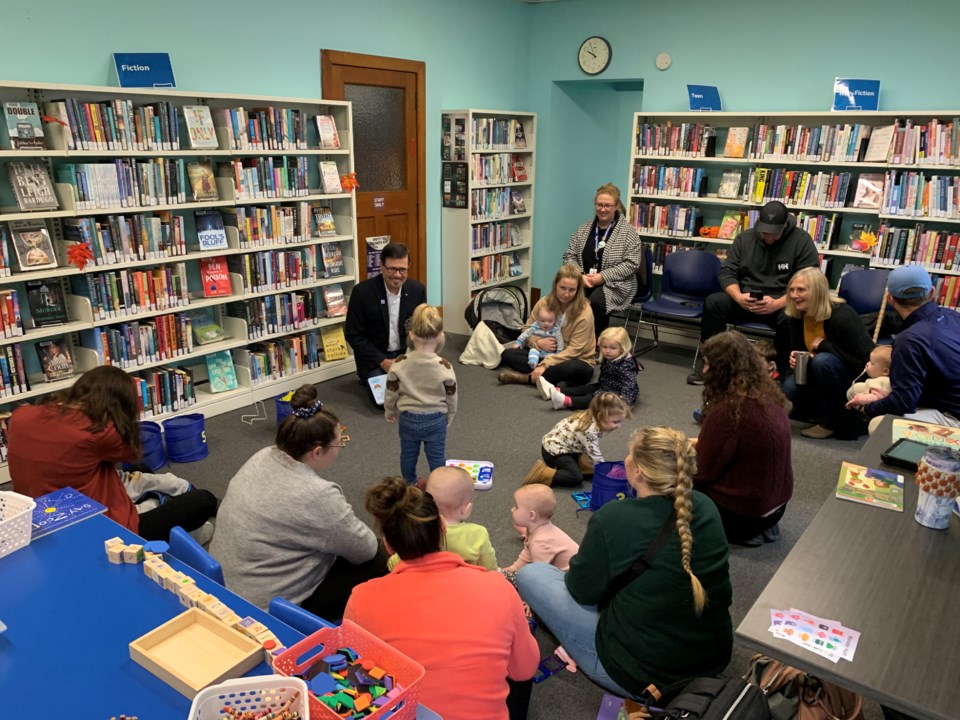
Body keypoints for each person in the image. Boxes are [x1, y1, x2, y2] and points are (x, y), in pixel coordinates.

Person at [516, 427, 733, 697]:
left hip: (638, 675)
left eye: (630, 455)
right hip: (712, 659)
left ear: (638, 472)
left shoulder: (613, 518)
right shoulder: (705, 505)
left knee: (532, 575)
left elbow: (581, 591)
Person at [344, 477, 539, 720]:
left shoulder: (361, 598)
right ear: (443, 527)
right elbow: (524, 670)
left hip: (401, 712)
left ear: (388, 545)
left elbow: (357, 677)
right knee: (521, 637)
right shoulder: (497, 587)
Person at [210, 385, 385, 619]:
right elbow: (365, 550)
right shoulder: (319, 495)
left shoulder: (262, 455)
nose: (340, 448)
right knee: (382, 555)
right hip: (265, 609)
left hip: (227, 584)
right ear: (316, 452)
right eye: (338, 442)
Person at [8, 365, 216, 542]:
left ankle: (162, 500)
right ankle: (185, 525)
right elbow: (131, 451)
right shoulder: (97, 431)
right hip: (101, 529)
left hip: (36, 518)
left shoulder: (20, 415)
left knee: (138, 470)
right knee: (203, 501)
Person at [687, 200, 819, 385]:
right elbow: (727, 272)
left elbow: (810, 279)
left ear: (785, 225)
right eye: (764, 232)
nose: (768, 237)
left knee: (793, 317)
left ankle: (780, 372)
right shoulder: (745, 238)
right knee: (714, 303)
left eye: (773, 234)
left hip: (781, 302)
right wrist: (738, 296)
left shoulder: (801, 241)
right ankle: (712, 366)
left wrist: (778, 303)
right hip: (745, 300)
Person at [693, 331, 793, 546]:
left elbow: (702, 472)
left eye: (708, 364)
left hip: (742, 516)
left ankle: (742, 532)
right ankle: (762, 526)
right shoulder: (768, 395)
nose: (704, 370)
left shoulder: (729, 409)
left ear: (723, 369)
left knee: (670, 476)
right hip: (778, 507)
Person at [846, 266, 960, 426]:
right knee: (859, 390)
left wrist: (868, 410)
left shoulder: (909, 340)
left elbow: (904, 402)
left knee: (879, 424)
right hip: (943, 395)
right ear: (933, 292)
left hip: (952, 414)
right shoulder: (954, 316)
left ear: (890, 299)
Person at [782, 267, 874, 440]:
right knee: (788, 388)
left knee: (823, 361)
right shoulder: (796, 315)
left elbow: (866, 363)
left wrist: (825, 345)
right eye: (792, 290)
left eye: (801, 290)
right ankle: (813, 413)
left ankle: (829, 422)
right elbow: (801, 351)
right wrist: (796, 359)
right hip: (816, 372)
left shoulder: (842, 316)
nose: (794, 295)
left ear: (817, 292)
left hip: (849, 377)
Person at [344, 243, 427, 404]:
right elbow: (353, 334)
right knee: (387, 402)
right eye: (392, 269)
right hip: (376, 358)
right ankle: (368, 376)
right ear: (381, 266)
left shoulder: (417, 290)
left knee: (427, 391)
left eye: (402, 270)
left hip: (405, 355)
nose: (397, 275)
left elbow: (421, 328)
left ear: (408, 267)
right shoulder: (362, 292)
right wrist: (382, 361)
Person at [384, 304, 457, 485]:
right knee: (437, 456)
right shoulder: (444, 365)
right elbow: (451, 395)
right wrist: (450, 415)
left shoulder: (400, 363)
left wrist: (389, 410)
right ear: (440, 337)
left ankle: (409, 483)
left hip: (408, 418)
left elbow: (391, 390)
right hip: (435, 419)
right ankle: (438, 487)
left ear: (411, 334)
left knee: (408, 454)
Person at [499, 263, 597, 388]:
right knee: (508, 354)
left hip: (574, 358)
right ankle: (549, 379)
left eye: (572, 290)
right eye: (563, 288)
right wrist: (538, 342)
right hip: (544, 353)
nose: (566, 294)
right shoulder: (544, 302)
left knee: (575, 369)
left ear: (578, 290)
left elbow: (575, 350)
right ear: (555, 285)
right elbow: (526, 329)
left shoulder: (585, 312)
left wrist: (545, 364)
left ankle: (526, 378)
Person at [562, 182, 642, 335]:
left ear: (616, 205)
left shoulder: (628, 232)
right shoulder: (583, 229)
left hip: (616, 284)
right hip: (584, 279)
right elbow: (569, 255)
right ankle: (568, 340)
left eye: (608, 205)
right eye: (599, 205)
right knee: (565, 294)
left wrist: (603, 277)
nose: (603, 209)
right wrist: (579, 275)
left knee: (596, 302)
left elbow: (632, 264)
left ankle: (597, 345)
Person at [387, 466, 496, 571]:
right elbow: (490, 568)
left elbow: (396, 563)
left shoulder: (418, 532)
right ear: (466, 509)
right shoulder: (478, 534)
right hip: (470, 585)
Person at [523, 392, 629, 487]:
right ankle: (543, 473)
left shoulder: (592, 416)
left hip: (563, 446)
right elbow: (595, 455)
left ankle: (577, 465)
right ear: (601, 416)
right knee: (576, 478)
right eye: (615, 422)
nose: (619, 426)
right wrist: (607, 475)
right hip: (553, 453)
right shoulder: (589, 430)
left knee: (589, 467)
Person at [539, 326, 640, 411]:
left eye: (612, 348)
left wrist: (624, 403)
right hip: (605, 385)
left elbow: (629, 385)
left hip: (616, 394)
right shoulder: (611, 357)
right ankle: (553, 390)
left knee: (593, 398)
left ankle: (566, 401)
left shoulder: (627, 365)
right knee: (586, 388)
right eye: (604, 347)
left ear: (622, 348)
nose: (607, 351)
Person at [501, 484, 579, 576]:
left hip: (572, 581)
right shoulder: (537, 530)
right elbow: (527, 554)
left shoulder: (540, 542)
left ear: (531, 516)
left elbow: (539, 577)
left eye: (516, 507)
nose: (512, 509)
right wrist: (511, 570)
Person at [510, 304, 563, 369]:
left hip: (549, 352)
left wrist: (559, 352)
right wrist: (518, 342)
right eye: (543, 321)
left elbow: (560, 341)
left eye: (550, 321)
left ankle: (544, 367)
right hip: (537, 349)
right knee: (532, 351)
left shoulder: (555, 331)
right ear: (538, 320)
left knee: (552, 359)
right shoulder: (535, 327)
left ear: (554, 321)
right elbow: (525, 334)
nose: (546, 323)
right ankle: (533, 363)